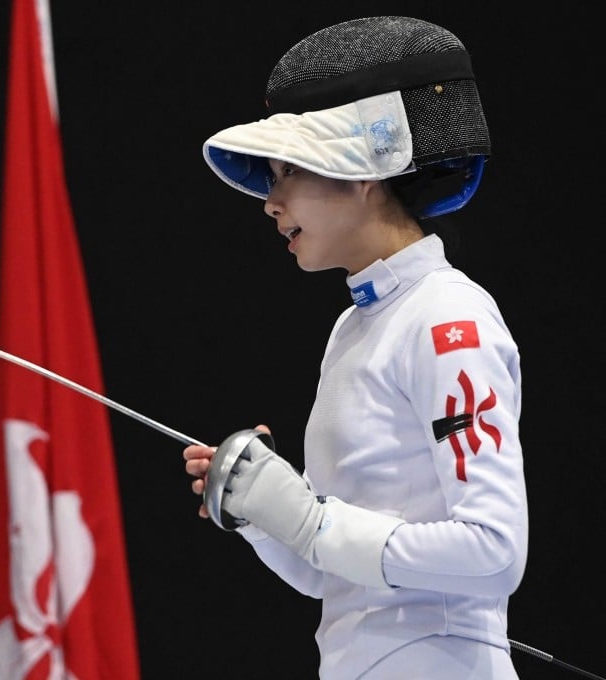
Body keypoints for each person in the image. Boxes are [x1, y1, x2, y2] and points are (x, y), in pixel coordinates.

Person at [183, 16, 528, 680]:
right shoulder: (356, 328)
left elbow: (494, 552)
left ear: (363, 168)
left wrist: (312, 522)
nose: (271, 202)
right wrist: (263, 510)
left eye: (288, 171)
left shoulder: (447, 317)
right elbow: (332, 578)